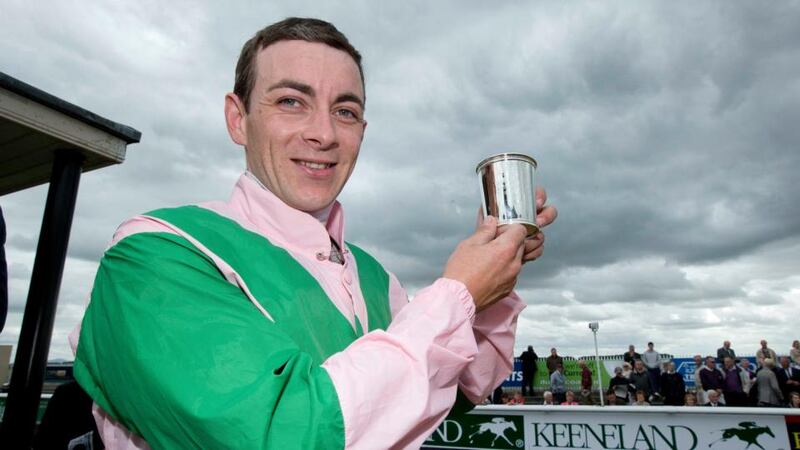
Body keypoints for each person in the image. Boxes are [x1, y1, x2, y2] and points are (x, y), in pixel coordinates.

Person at [68, 18, 558, 449]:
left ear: (362, 130)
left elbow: (454, 392)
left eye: (344, 111)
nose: (323, 133)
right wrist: (458, 294)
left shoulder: (373, 274)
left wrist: (494, 279)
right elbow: (282, 432)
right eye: (291, 101)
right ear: (238, 120)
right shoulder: (156, 252)